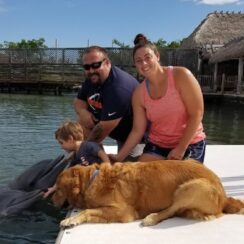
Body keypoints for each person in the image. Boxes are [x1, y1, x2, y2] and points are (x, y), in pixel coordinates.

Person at [110, 34, 206, 163]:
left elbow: (197, 114)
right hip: (158, 145)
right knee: (140, 179)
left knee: (176, 182)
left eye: (147, 57)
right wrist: (119, 157)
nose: (144, 63)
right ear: (135, 65)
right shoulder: (139, 93)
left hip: (189, 143)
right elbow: (137, 131)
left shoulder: (182, 75)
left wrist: (181, 148)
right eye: (138, 60)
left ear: (157, 56)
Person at [74, 46, 144, 161]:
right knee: (82, 121)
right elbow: (78, 101)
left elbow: (103, 129)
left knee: (125, 173)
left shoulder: (118, 88)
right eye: (87, 67)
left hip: (134, 138)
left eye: (95, 65)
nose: (91, 70)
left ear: (107, 63)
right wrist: (83, 112)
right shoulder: (93, 78)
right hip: (113, 130)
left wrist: (83, 150)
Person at [43, 120, 109, 198]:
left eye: (62, 143)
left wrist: (107, 169)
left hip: (101, 175)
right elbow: (66, 173)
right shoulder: (76, 156)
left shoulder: (87, 146)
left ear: (71, 139)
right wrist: (54, 188)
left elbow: (102, 154)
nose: (61, 147)